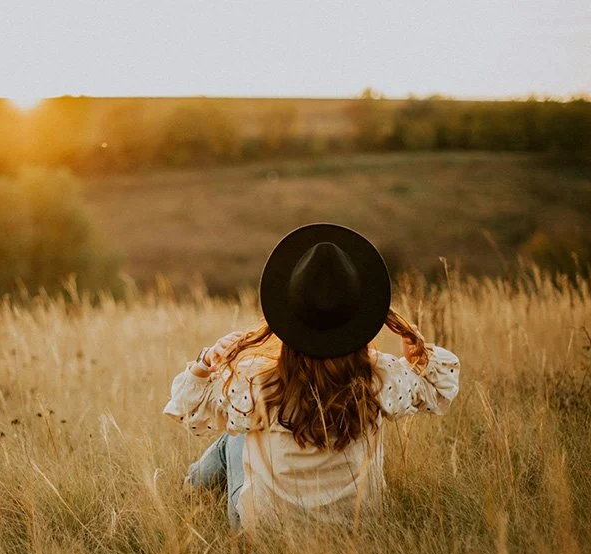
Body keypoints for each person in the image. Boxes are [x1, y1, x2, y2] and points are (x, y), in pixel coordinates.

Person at [163, 224, 460, 532]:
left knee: (235, 436)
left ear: (287, 315)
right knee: (238, 426)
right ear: (358, 316)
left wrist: (205, 362)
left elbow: (186, 411)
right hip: (358, 529)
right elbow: (440, 390)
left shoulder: (256, 382)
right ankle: (191, 485)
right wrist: (418, 357)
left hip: (267, 535)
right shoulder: (380, 377)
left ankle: (189, 488)